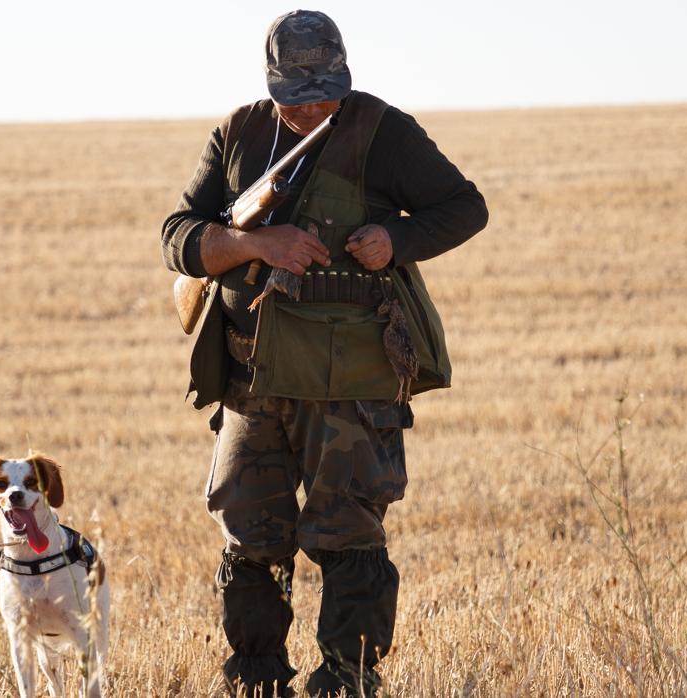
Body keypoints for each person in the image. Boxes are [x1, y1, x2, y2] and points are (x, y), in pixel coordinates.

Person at [161, 10, 488, 697]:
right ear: (270, 84)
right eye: (296, 93)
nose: (312, 104)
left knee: (349, 538)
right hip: (253, 379)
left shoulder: (381, 130)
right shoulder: (240, 131)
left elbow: (463, 207)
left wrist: (396, 240)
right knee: (250, 539)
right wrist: (256, 245)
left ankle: (347, 680)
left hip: (351, 386)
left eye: (325, 89)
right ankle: (255, 678)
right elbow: (178, 235)